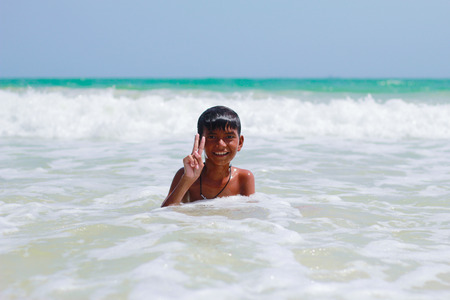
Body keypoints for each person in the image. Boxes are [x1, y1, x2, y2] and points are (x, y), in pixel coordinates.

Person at [161, 106, 255, 207]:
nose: (221, 144)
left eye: (229, 137)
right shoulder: (184, 175)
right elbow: (166, 213)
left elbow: (249, 216)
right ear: (200, 141)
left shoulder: (243, 178)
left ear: (240, 142)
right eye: (212, 137)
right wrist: (187, 180)